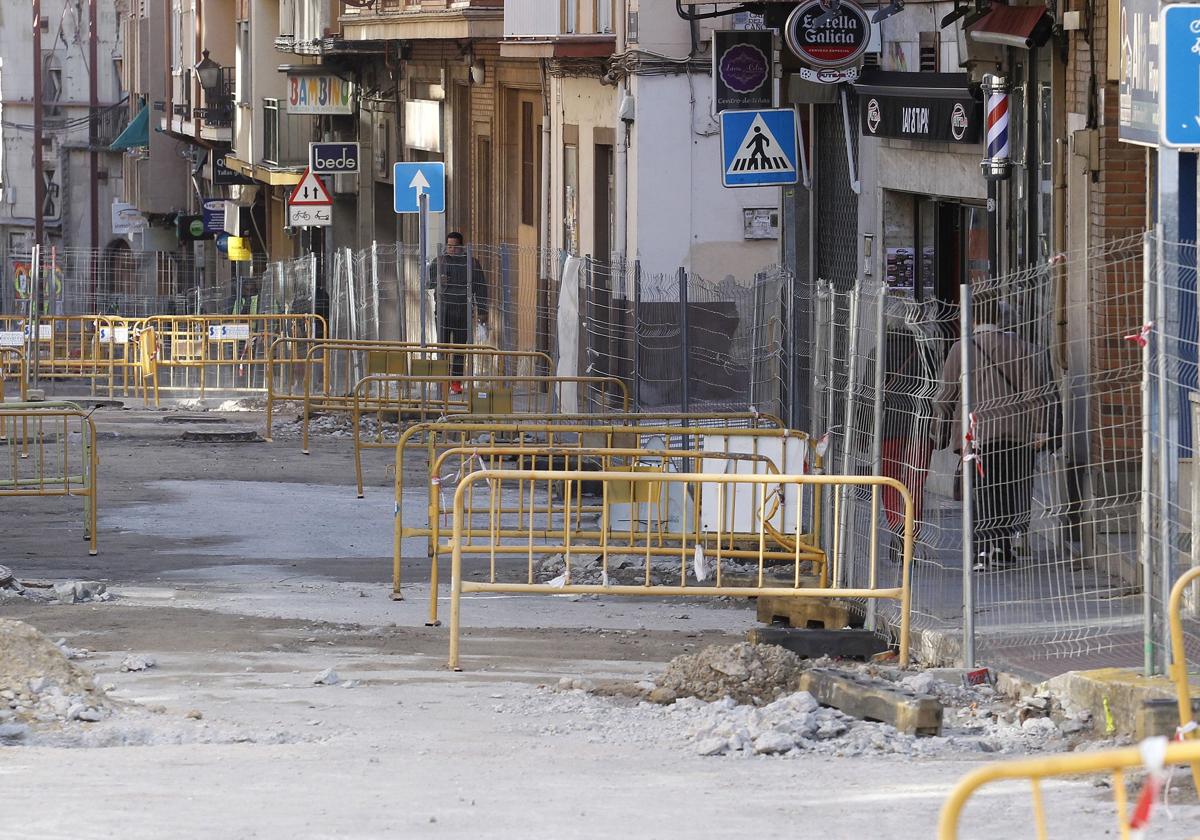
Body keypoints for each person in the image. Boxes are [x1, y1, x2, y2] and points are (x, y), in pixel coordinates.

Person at [935, 294, 1050, 571]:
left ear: (972, 319)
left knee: (981, 491)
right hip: (1016, 434)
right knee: (1011, 488)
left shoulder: (960, 350)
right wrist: (1041, 429)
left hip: (976, 437)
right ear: (998, 316)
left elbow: (945, 396)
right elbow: (1034, 395)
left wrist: (939, 431)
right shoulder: (1021, 347)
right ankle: (1004, 545)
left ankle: (982, 550)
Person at [427, 232, 488, 394]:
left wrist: (482, 312)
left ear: (462, 247)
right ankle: (442, 381)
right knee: (442, 347)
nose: (452, 249)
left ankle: (456, 383)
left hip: (464, 311)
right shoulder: (439, 261)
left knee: (460, 349)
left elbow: (481, 288)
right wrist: (438, 281)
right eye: (449, 246)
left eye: (455, 246)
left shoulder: (472, 264)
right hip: (443, 310)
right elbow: (427, 282)